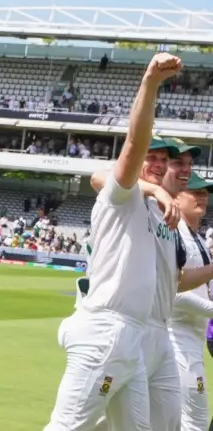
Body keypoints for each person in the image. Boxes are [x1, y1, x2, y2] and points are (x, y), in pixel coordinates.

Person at [43, 54, 193, 431]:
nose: (158, 164)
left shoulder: (158, 209)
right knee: (65, 427)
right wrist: (150, 83)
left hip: (135, 336)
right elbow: (130, 146)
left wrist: (158, 190)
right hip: (105, 331)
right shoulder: (122, 196)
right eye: (152, 158)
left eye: (165, 160)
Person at [170, 172, 213, 431]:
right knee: (195, 420)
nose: (202, 196)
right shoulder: (177, 235)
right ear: (175, 198)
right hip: (176, 340)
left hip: (192, 340)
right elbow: (171, 291)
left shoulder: (195, 237)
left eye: (205, 192)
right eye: (195, 192)